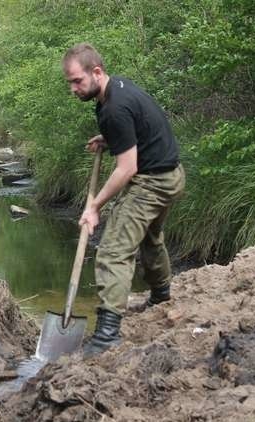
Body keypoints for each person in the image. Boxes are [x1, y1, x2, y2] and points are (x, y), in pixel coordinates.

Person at [62, 43, 185, 358]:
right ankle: (161, 295)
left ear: (97, 72)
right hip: (171, 175)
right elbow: (138, 126)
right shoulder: (116, 91)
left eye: (77, 81)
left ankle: (106, 335)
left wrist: (94, 206)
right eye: (70, 83)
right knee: (150, 237)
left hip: (153, 182)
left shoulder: (114, 108)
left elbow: (126, 168)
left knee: (114, 251)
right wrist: (111, 139)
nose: (74, 89)